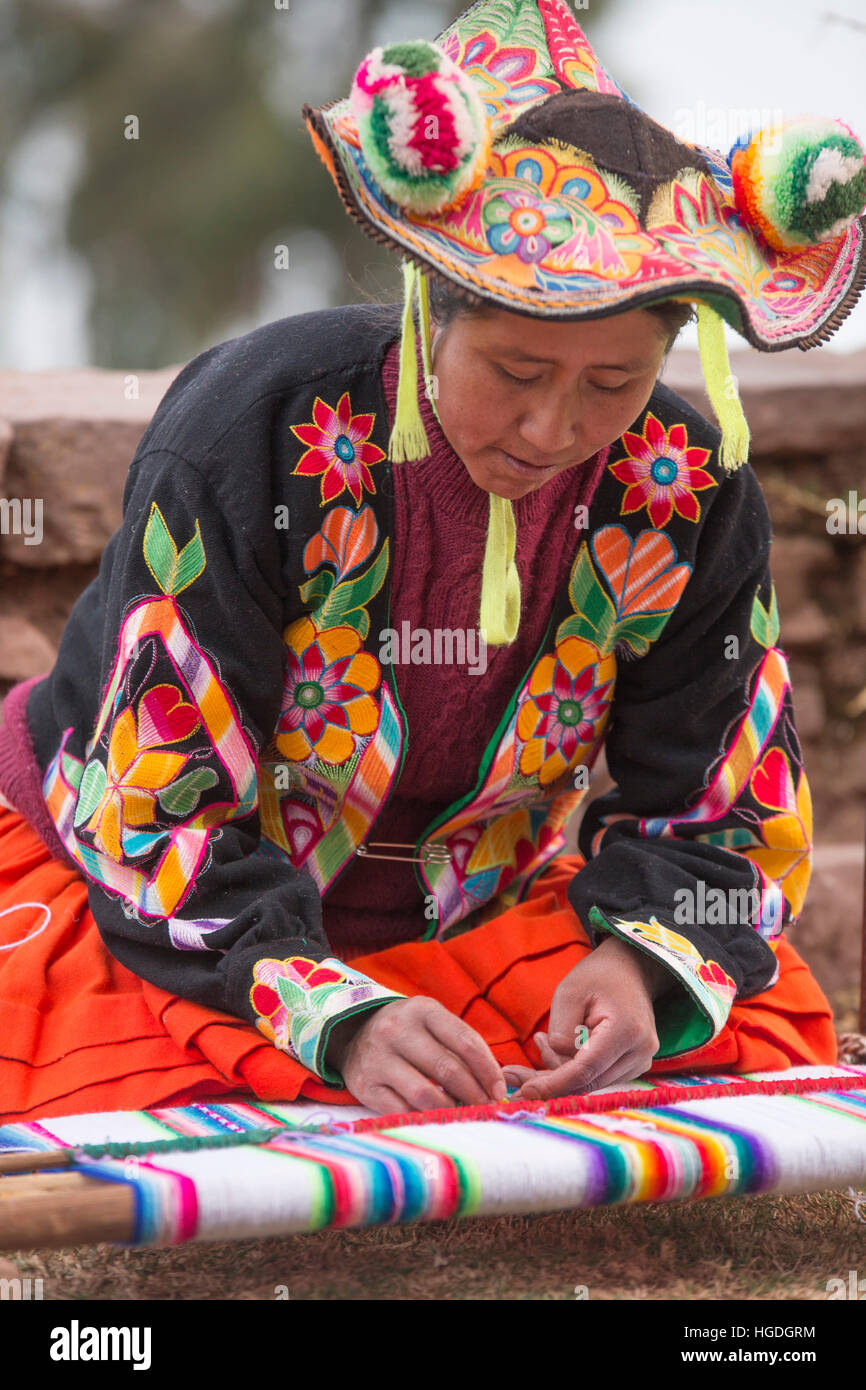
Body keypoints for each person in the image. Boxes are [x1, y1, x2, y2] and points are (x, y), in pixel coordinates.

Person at [0, 0, 863, 1122]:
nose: (551, 428)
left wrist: (640, 965)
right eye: (512, 369)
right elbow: (153, 813)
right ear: (427, 313)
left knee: (737, 1028)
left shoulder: (681, 482)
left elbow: (724, 812)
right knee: (98, 1080)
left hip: (474, 914)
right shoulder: (258, 430)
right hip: (147, 891)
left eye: (611, 384)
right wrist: (333, 1012)